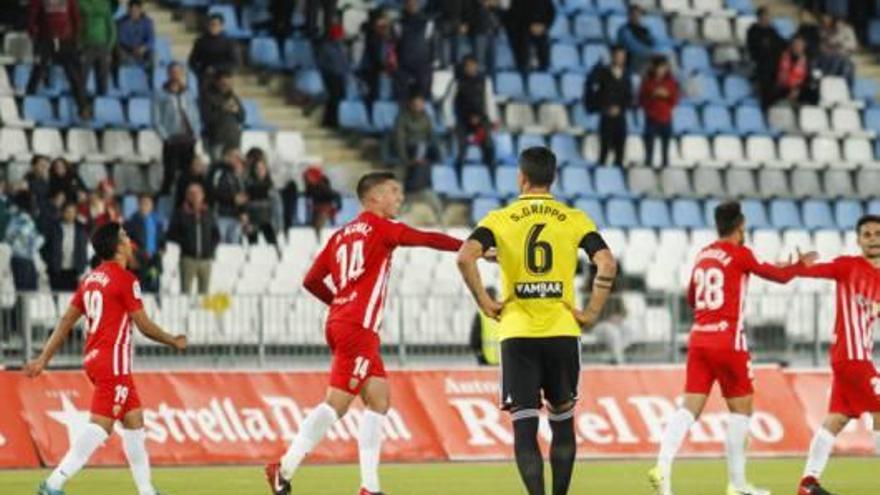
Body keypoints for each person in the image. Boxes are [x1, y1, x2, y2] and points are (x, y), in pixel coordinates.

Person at [265, 171, 464, 495]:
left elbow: (311, 280)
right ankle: (283, 467)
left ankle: (369, 487)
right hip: (357, 328)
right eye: (393, 191)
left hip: (344, 323)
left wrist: (339, 303)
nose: (399, 197)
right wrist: (469, 248)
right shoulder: (381, 228)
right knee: (336, 405)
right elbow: (427, 239)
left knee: (379, 400)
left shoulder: (341, 235)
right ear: (375, 197)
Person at [457, 146, 617, 495]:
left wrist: (485, 301)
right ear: (553, 177)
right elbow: (606, 262)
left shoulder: (499, 219)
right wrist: (591, 312)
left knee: (525, 429)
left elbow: (465, 256)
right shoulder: (574, 218)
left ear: (522, 177)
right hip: (561, 331)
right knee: (563, 425)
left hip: (517, 334)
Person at [648, 201, 816, 495]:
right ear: (741, 226)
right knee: (741, 411)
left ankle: (662, 468)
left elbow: (692, 297)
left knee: (688, 408)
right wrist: (800, 266)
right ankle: (737, 485)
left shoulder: (704, 254)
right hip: (728, 341)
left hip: (699, 339)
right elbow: (778, 277)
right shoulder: (741, 253)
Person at [25, 222, 186, 495]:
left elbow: (66, 321)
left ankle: (146, 491)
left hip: (94, 359)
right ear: (118, 247)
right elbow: (144, 325)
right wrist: (172, 340)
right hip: (114, 363)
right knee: (100, 427)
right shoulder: (126, 280)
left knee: (134, 421)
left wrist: (43, 359)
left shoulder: (90, 280)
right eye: (124, 236)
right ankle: (52, 484)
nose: (129, 239)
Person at [793, 215, 880, 495]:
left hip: (852, 357)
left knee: (837, 419)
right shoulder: (848, 266)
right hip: (852, 357)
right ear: (858, 240)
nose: (873, 239)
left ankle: (808, 483)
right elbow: (815, 271)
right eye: (867, 234)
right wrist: (798, 266)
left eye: (878, 234)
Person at [27, 0, 90, 119]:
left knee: (73, 74)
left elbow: (75, 18)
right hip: (45, 39)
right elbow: (32, 17)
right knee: (38, 70)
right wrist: (34, 36)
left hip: (66, 40)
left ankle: (83, 107)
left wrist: (76, 39)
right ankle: (27, 100)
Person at [153, 62, 201, 197]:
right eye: (173, 72)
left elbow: (195, 113)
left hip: (188, 137)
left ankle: (184, 199)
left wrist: (196, 132)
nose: (176, 75)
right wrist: (165, 136)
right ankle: (164, 198)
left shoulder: (188, 92)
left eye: (178, 72)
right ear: (168, 74)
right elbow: (156, 119)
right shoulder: (160, 94)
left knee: (188, 174)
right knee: (170, 172)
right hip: (172, 139)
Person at [448, 54, 498, 176]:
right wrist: (450, 121)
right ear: (464, 67)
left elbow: (489, 100)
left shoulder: (485, 81)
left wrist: (493, 119)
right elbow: (448, 102)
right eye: (468, 66)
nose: (471, 68)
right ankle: (459, 174)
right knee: (461, 146)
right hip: (462, 120)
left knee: (488, 145)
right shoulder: (457, 81)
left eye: (473, 65)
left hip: (481, 119)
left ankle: (491, 173)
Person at [167, 183, 218, 295]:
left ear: (203, 195)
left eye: (197, 193)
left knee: (204, 294)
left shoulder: (208, 213)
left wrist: (210, 249)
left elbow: (216, 234)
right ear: (187, 196)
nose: (195, 196)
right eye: (192, 193)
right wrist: (185, 243)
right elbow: (171, 233)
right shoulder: (180, 213)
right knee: (185, 292)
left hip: (205, 259)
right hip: (188, 259)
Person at [585, 46, 632, 166]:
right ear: (613, 56)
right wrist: (606, 108)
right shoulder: (603, 73)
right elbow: (596, 92)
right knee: (604, 149)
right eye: (618, 56)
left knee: (620, 150)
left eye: (622, 56)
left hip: (620, 117)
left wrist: (620, 108)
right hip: (606, 116)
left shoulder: (626, 75)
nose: (620, 59)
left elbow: (629, 97)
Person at [639, 56, 678, 168]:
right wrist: (653, 95)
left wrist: (667, 95)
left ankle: (665, 169)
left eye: (663, 67)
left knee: (665, 151)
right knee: (649, 149)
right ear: (654, 68)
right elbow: (641, 101)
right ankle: (648, 168)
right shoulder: (647, 82)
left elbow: (675, 101)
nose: (660, 70)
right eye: (658, 67)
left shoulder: (671, 83)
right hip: (651, 119)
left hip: (666, 119)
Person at [394, 0, 436, 99]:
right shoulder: (398, 23)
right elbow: (395, 44)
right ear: (405, 5)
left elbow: (433, 43)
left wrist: (433, 60)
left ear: (418, 5)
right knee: (402, 96)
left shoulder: (428, 23)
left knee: (423, 95)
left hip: (423, 65)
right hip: (404, 65)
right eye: (409, 3)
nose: (411, 6)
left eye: (414, 3)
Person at [200, 70, 245, 161]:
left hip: (234, 142)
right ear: (217, 82)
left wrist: (237, 111)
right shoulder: (207, 97)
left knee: (234, 167)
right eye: (224, 82)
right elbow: (206, 118)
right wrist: (223, 109)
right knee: (219, 166)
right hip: (217, 141)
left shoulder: (233, 96)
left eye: (228, 81)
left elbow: (242, 117)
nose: (226, 84)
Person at [5, 190, 44, 291]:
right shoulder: (19, 219)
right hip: (21, 259)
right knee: (23, 292)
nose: (35, 203)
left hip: (27, 259)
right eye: (32, 200)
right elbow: (11, 237)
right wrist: (38, 240)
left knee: (30, 291)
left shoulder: (25, 218)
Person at [747, 8, 786, 109]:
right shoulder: (753, 30)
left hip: (775, 63)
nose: (767, 19)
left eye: (768, 17)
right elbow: (754, 49)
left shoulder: (772, 30)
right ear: (759, 18)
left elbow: (781, 43)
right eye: (765, 17)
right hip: (761, 63)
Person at [125, 194, 165, 293]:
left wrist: (162, 248)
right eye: (143, 203)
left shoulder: (157, 221)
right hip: (139, 258)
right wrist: (135, 252)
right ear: (139, 205)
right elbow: (127, 240)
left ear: (152, 205)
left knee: (154, 286)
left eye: (148, 203)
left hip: (154, 258)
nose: (145, 206)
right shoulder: (132, 221)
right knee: (140, 288)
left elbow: (161, 237)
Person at [46, 202, 88, 291]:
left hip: (74, 270)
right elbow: (46, 247)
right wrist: (50, 262)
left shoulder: (80, 230)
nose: (70, 215)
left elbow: (83, 249)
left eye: (73, 212)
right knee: (57, 295)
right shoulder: (54, 228)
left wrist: (82, 266)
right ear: (62, 213)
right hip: (57, 269)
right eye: (67, 212)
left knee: (71, 297)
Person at [357, 9, 397, 105]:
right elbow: (376, 54)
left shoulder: (389, 34)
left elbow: (391, 47)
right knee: (372, 95)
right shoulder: (371, 35)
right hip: (369, 69)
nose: (384, 26)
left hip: (380, 69)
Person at [315, 20, 350, 128]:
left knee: (339, 100)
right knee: (333, 100)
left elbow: (345, 62)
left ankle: (334, 121)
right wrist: (328, 73)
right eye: (340, 35)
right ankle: (329, 121)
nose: (341, 37)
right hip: (331, 77)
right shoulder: (326, 47)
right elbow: (321, 63)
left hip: (341, 76)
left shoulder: (342, 47)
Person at [503, 0, 554, 73]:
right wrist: (528, 26)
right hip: (522, 31)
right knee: (521, 42)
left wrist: (543, 26)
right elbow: (514, 15)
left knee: (543, 44)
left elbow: (551, 12)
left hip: (540, 28)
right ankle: (524, 68)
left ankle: (543, 67)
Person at [188, 13, 239, 85]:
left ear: (221, 26)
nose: (212, 27)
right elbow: (192, 61)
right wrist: (200, 72)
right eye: (210, 24)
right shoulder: (201, 41)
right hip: (205, 76)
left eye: (215, 25)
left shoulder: (229, 42)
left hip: (223, 77)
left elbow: (234, 62)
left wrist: (216, 68)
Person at [243, 152, 279, 251]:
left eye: (262, 169)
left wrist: (278, 224)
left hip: (268, 221)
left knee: (273, 247)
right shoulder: (248, 186)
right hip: (253, 221)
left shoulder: (271, 186)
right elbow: (244, 205)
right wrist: (246, 222)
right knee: (252, 248)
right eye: (257, 169)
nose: (260, 171)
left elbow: (277, 207)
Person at [78, 0, 115, 96]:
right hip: (86, 46)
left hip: (103, 46)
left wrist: (109, 48)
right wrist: (79, 45)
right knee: (82, 77)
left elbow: (112, 28)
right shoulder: (81, 3)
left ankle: (101, 102)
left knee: (103, 80)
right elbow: (77, 24)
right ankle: (82, 102)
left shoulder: (105, 4)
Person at [212, 147, 248, 243]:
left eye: (238, 158)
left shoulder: (238, 175)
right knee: (221, 244)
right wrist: (233, 199)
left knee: (234, 246)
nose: (236, 160)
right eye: (234, 157)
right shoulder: (219, 172)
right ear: (227, 157)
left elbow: (242, 195)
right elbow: (214, 192)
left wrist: (243, 211)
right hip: (222, 215)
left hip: (236, 216)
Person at [617, 5, 666, 74]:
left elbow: (653, 41)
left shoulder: (645, 29)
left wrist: (657, 52)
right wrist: (651, 53)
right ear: (629, 15)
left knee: (665, 59)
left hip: (648, 56)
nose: (636, 17)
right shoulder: (624, 30)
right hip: (633, 58)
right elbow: (633, 46)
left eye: (638, 14)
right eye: (633, 14)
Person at [776, 36, 818, 106]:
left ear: (804, 46)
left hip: (801, 90)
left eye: (799, 45)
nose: (797, 47)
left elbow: (810, 79)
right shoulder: (782, 56)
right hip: (783, 89)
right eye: (795, 44)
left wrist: (798, 89)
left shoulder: (809, 60)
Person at [817, 14, 857, 81]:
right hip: (831, 57)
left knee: (845, 65)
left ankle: (837, 81)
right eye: (836, 23)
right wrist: (830, 45)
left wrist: (842, 43)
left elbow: (853, 45)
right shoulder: (830, 31)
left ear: (844, 23)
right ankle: (824, 80)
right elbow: (824, 45)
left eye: (840, 23)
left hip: (845, 56)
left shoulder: (848, 30)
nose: (838, 25)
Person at [116, 0, 155, 68]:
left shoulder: (147, 22)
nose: (133, 13)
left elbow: (151, 39)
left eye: (136, 11)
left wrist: (143, 48)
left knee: (151, 54)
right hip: (127, 50)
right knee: (119, 53)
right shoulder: (121, 22)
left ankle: (148, 72)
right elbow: (121, 39)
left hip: (142, 50)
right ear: (128, 10)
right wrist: (132, 48)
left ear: (140, 10)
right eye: (131, 11)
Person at [303, 165, 341, 233]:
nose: (306, 181)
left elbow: (335, 195)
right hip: (317, 209)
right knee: (314, 227)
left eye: (307, 178)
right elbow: (309, 196)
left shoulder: (322, 187)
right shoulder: (311, 187)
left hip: (324, 210)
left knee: (318, 226)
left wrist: (337, 207)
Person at [469, 286, 500, 365]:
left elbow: (474, 337)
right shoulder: (502, 312)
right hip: (501, 358)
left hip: (485, 359)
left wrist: (478, 353)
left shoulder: (481, 314)